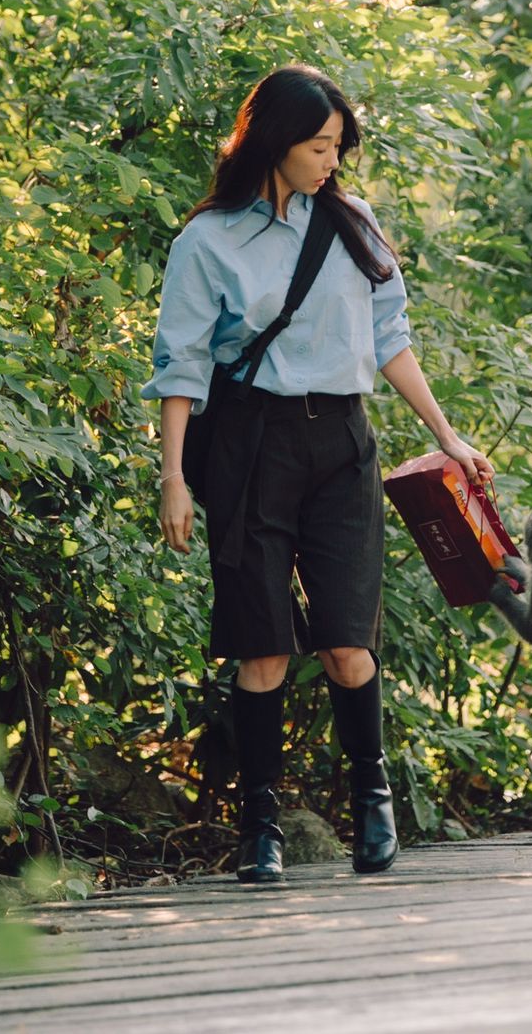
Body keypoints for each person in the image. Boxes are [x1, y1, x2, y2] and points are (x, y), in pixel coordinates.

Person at [145, 64, 492, 884]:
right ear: (273, 142)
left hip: (342, 446)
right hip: (249, 453)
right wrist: (173, 476)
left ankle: (372, 801)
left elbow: (392, 336)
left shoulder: (352, 224)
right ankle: (258, 826)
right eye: (318, 146)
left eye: (340, 146)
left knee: (346, 644)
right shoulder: (207, 242)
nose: (332, 161)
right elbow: (182, 364)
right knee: (260, 651)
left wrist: (446, 436)